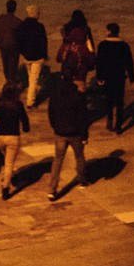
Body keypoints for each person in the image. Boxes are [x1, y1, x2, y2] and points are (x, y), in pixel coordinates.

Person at [47, 63, 89, 201]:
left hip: (60, 131)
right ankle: (82, 180)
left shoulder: (54, 94)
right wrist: (84, 135)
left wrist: (55, 127)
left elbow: (51, 114)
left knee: (58, 159)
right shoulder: (78, 95)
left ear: (61, 76)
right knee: (79, 156)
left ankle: (52, 189)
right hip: (75, 132)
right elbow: (83, 116)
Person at [0, 82, 30, 200]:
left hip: (1, 137)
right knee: (9, 163)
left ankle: (9, 175)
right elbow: (24, 119)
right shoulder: (17, 104)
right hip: (13, 137)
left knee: (6, 160)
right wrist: (26, 128)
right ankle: (6, 187)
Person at [96, 22, 134, 134]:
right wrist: (132, 76)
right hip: (119, 77)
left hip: (108, 77)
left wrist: (100, 76)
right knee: (119, 101)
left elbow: (99, 62)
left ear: (109, 31)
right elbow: (129, 62)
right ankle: (118, 126)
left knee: (109, 100)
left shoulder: (103, 45)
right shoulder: (124, 45)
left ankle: (109, 120)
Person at [14, 5, 48, 109]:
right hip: (37, 57)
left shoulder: (21, 26)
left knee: (30, 76)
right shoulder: (40, 27)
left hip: (26, 56)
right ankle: (30, 102)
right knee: (33, 79)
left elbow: (18, 40)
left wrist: (22, 51)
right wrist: (44, 55)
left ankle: (31, 92)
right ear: (37, 14)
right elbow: (43, 43)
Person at [56, 10, 95, 92]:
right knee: (79, 96)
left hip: (66, 74)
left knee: (66, 95)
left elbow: (58, 58)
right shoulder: (83, 47)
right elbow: (91, 61)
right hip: (80, 75)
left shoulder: (66, 44)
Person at [0, 0, 21, 83]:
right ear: (15, 8)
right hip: (13, 48)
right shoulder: (18, 21)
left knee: (6, 66)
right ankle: (11, 83)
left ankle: (8, 81)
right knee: (13, 67)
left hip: (3, 46)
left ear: (6, 7)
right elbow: (21, 37)